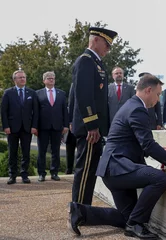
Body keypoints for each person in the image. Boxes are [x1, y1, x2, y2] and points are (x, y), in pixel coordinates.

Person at [67, 74, 166, 239]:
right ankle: (136, 225)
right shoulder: (137, 108)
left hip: (113, 170)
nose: (157, 99)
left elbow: (142, 144)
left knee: (126, 217)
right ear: (148, 90)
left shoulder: (131, 105)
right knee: (159, 179)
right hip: (117, 168)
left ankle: (80, 212)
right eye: (157, 94)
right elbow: (148, 145)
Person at [71, 27, 118, 205]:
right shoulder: (86, 61)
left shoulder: (96, 62)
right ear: (96, 40)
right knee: (85, 170)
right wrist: (92, 125)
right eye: (107, 43)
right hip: (90, 128)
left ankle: (85, 208)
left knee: (90, 170)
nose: (108, 48)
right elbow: (83, 96)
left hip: (95, 127)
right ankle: (79, 209)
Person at [1, 70, 39, 184]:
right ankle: (12, 175)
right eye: (20, 77)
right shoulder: (8, 93)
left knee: (26, 152)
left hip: (27, 128)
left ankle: (24, 174)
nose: (23, 79)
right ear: (15, 80)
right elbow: (3, 111)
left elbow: (36, 112)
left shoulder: (31, 93)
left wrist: (34, 126)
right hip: (12, 128)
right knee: (12, 152)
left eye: (24, 77)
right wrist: (6, 126)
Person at [36, 71, 69, 181]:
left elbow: (65, 110)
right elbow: (35, 112)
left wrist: (65, 125)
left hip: (57, 126)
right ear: (44, 80)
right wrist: (35, 126)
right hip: (42, 127)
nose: (51, 80)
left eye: (53, 78)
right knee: (42, 151)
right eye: (49, 78)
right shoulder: (38, 94)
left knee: (56, 150)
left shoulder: (61, 93)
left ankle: (54, 172)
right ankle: (41, 173)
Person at [64, 83, 77, 174]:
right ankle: (69, 168)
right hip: (74, 120)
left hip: (87, 122)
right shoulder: (74, 85)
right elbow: (71, 103)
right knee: (70, 146)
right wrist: (70, 122)